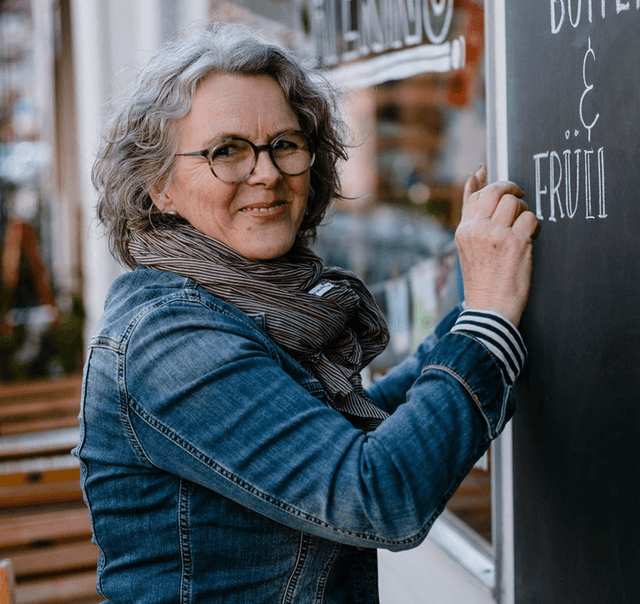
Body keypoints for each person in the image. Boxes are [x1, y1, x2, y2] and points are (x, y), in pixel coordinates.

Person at [75, 23, 540, 604]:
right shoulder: (168, 341)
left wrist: (486, 302)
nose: (266, 173)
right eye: (227, 151)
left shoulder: (247, 306)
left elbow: (352, 429)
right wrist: (487, 321)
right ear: (160, 186)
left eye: (285, 145)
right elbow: (378, 495)